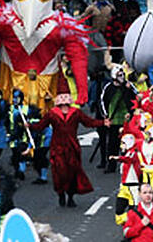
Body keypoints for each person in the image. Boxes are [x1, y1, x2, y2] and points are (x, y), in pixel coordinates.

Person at [31, 73, 111, 207]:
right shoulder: (52, 113)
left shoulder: (76, 113)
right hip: (57, 148)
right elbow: (40, 126)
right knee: (59, 174)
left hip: (72, 148)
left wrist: (102, 123)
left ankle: (70, 196)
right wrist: (30, 126)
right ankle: (61, 194)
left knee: (72, 173)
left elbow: (88, 122)